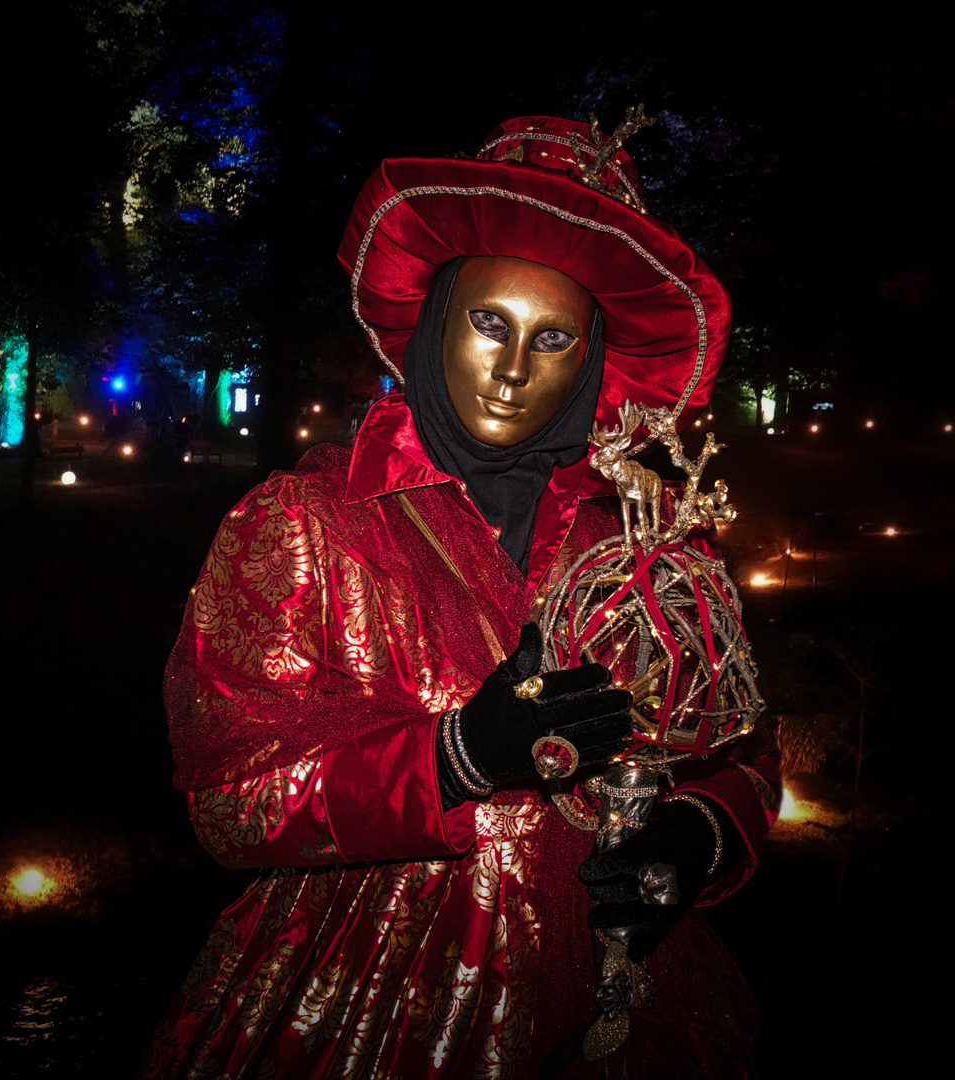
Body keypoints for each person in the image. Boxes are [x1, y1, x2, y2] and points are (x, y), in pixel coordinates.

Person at [144, 114, 779, 1079]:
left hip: (619, 987)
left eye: (553, 337)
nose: (514, 370)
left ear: (591, 362)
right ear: (438, 319)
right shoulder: (307, 524)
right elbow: (230, 803)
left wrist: (694, 833)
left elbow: (735, 736)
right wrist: (451, 760)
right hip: (369, 992)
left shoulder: (638, 541)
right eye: (489, 323)